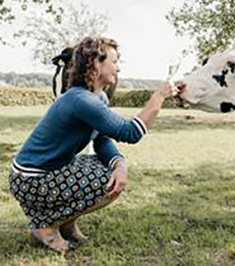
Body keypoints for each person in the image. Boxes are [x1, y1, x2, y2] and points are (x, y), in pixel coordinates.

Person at [9, 37, 179, 252]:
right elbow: (131, 132)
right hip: (31, 180)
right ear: (96, 65)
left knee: (109, 170)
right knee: (105, 181)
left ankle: (66, 224)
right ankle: (46, 228)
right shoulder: (81, 100)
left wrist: (119, 164)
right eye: (114, 61)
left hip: (49, 171)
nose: (118, 68)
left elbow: (102, 139)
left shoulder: (98, 97)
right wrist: (159, 96)